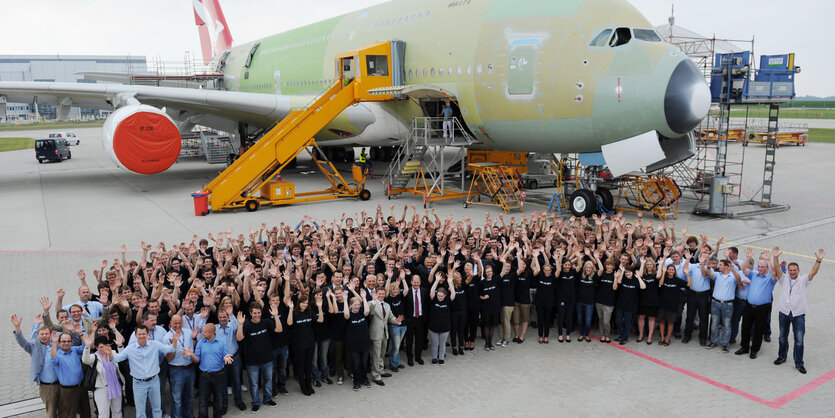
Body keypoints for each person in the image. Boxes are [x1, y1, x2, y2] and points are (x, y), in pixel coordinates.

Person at [772, 247, 825, 374]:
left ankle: (799, 363)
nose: (792, 272)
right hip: (784, 312)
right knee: (782, 337)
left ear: (798, 270)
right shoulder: (784, 279)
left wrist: (818, 260)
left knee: (799, 339)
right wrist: (775, 257)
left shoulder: (803, 280)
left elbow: (813, 272)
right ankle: (782, 356)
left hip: (798, 314)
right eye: (790, 270)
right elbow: (778, 269)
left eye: (794, 270)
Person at [112, 324, 176, 418]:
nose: (142, 336)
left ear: (147, 334)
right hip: (138, 383)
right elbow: (116, 359)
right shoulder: (130, 348)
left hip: (154, 380)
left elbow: (170, 349)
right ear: (135, 335)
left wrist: (175, 341)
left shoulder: (155, 344)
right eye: (139, 334)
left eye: (143, 334)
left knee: (157, 409)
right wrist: (114, 349)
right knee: (140, 412)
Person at [181, 323, 235, 418]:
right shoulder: (201, 342)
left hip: (219, 375)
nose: (201, 333)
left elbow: (226, 355)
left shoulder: (222, 342)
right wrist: (192, 355)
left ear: (211, 333)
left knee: (218, 398)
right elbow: (197, 360)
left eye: (204, 332)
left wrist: (226, 357)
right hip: (204, 376)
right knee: (203, 400)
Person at [11, 313, 60, 418]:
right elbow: (22, 342)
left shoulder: (57, 345)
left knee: (64, 411)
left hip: (61, 385)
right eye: (41, 334)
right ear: (37, 336)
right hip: (47, 387)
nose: (44, 336)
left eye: (46, 334)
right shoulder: (34, 348)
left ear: (51, 334)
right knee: (52, 413)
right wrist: (18, 327)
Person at [236, 305, 280, 412]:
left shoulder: (266, 322)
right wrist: (240, 324)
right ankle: (256, 402)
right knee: (254, 384)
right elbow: (239, 338)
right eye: (254, 313)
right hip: (252, 361)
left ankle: (267, 399)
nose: (257, 315)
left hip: (267, 359)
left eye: (258, 313)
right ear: (250, 313)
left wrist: (275, 316)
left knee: (268, 380)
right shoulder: (246, 325)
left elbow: (279, 329)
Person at [735, 248, 777, 359]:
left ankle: (754, 350)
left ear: (766, 268)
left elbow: (774, 272)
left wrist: (769, 260)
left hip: (762, 308)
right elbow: (743, 268)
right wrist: (748, 257)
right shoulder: (754, 274)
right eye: (759, 266)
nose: (760, 269)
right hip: (749, 306)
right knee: (745, 327)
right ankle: (744, 347)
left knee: (758, 330)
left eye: (763, 267)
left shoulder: (770, 279)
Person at [702, 253, 744, 352]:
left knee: (727, 324)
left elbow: (739, 279)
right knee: (714, 323)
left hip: (728, 304)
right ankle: (713, 341)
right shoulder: (717, 274)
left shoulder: (733, 276)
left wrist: (733, 270)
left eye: (720, 265)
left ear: (726, 266)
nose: (718, 266)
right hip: (715, 302)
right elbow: (710, 274)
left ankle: (725, 343)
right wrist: (708, 268)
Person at [286, 294, 321, 396]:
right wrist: (291, 309)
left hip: (310, 343)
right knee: (301, 366)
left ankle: (309, 385)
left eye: (306, 303)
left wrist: (319, 307)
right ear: (299, 303)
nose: (305, 305)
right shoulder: (295, 313)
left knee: (308, 365)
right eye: (303, 303)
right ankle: (303, 386)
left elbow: (320, 320)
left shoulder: (309, 312)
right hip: (299, 345)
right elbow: (289, 323)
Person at [49, 330, 89, 418]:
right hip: (68, 391)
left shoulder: (74, 350)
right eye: (63, 341)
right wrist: (54, 343)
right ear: (59, 343)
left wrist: (81, 334)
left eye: (68, 341)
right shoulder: (57, 355)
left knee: (86, 413)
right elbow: (53, 357)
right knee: (69, 415)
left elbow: (86, 345)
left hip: (81, 388)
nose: (66, 343)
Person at [82, 335, 124, 418]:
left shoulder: (113, 353)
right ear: (97, 348)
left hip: (116, 386)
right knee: (103, 414)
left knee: (117, 412)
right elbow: (85, 360)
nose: (103, 349)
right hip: (102, 388)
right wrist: (87, 346)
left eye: (105, 346)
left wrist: (119, 346)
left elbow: (122, 356)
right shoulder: (94, 357)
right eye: (101, 347)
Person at [215, 306, 246, 412]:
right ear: (218, 318)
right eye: (220, 317)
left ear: (227, 317)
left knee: (237, 380)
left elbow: (238, 325)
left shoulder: (232, 325)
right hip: (222, 359)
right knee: (223, 382)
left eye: (225, 317)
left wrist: (232, 315)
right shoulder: (215, 329)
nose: (223, 319)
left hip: (234, 357)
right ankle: (224, 404)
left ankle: (239, 401)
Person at [368, 287, 402, 384]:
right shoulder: (371, 303)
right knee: (376, 355)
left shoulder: (387, 305)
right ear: (375, 293)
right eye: (379, 293)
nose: (381, 295)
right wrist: (374, 301)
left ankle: (381, 371)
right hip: (375, 333)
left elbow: (390, 317)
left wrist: (397, 321)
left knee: (382, 354)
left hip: (384, 333)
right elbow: (370, 313)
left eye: (383, 294)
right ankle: (376, 375)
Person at [164, 315, 195, 418]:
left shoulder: (188, 332)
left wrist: (190, 352)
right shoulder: (166, 337)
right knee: (177, 399)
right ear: (171, 323)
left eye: (179, 323)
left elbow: (192, 347)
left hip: (190, 368)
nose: (177, 325)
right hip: (177, 370)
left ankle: (189, 415)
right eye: (175, 323)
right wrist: (174, 344)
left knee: (189, 396)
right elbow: (168, 359)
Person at [657, 257, 690, 346]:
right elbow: (660, 283)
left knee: (670, 322)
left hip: (673, 305)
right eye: (669, 269)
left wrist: (687, 274)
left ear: (675, 271)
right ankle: (662, 338)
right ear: (667, 270)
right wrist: (663, 272)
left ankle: (667, 339)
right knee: (662, 321)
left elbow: (689, 284)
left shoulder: (678, 281)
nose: (671, 271)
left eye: (672, 270)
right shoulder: (664, 278)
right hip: (663, 304)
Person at [613, 260, 646, 345]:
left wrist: (639, 277)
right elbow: (619, 282)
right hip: (620, 304)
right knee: (618, 321)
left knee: (627, 322)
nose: (628, 274)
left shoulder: (636, 280)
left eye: (629, 272)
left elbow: (643, 287)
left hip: (630, 305)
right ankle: (622, 334)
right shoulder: (623, 278)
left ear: (632, 273)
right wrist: (623, 271)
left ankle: (625, 337)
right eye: (626, 272)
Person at [344, 289, 371, 391]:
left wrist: (364, 298)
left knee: (364, 363)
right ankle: (356, 382)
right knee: (356, 364)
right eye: (355, 305)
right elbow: (346, 314)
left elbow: (367, 311)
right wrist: (346, 300)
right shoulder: (349, 315)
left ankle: (365, 379)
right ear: (351, 306)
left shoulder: (362, 313)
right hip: (354, 344)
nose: (357, 306)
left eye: (358, 305)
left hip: (365, 343)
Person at [428, 271, 455, 363]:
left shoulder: (448, 300)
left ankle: (441, 358)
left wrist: (450, 282)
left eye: (441, 296)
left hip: (445, 327)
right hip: (433, 326)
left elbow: (453, 294)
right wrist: (436, 281)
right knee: (435, 344)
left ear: (445, 295)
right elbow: (432, 291)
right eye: (438, 295)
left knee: (442, 343)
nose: (439, 297)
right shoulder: (433, 299)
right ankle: (434, 357)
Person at [531, 249, 556, 344]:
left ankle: (546, 336)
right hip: (539, 301)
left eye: (548, 270)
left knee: (547, 320)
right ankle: (540, 336)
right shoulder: (540, 275)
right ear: (543, 270)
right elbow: (533, 266)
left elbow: (558, 270)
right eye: (545, 270)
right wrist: (535, 257)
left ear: (551, 271)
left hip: (549, 302)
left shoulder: (553, 277)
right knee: (540, 319)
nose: (547, 272)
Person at [403, 274, 428, 365]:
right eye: (414, 282)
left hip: (421, 319)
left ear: (420, 282)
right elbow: (404, 306)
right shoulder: (407, 292)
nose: (416, 284)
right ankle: (410, 358)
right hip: (410, 319)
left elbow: (427, 306)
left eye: (418, 282)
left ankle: (418, 357)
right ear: (411, 282)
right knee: (409, 340)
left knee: (419, 339)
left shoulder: (424, 291)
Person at [576, 258, 600, 342]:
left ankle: (587, 334)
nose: (588, 269)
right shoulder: (580, 274)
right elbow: (578, 266)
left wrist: (597, 258)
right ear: (584, 268)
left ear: (592, 268)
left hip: (589, 302)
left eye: (590, 267)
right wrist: (578, 257)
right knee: (579, 319)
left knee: (588, 320)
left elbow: (602, 270)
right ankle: (581, 334)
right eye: (587, 267)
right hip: (579, 301)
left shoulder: (595, 276)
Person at [637, 258, 660, 344]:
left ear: (653, 266)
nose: (649, 266)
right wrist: (642, 263)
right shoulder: (643, 274)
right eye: (648, 264)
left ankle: (650, 336)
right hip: (643, 298)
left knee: (651, 318)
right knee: (641, 317)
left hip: (653, 299)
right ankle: (641, 335)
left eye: (650, 264)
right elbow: (639, 275)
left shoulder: (656, 274)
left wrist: (661, 264)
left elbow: (659, 276)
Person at [595, 258, 617, 343]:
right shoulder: (602, 274)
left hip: (609, 302)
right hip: (599, 300)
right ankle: (602, 335)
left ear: (613, 266)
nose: (609, 266)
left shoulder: (615, 275)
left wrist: (615, 278)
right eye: (607, 264)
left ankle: (607, 335)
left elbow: (615, 288)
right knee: (600, 319)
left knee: (606, 321)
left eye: (611, 265)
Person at [479, 264, 501, 350]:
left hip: (495, 307)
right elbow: (479, 295)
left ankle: (490, 343)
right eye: (487, 272)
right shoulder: (482, 283)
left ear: (492, 272)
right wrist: (482, 297)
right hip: (486, 307)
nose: (489, 273)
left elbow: (502, 272)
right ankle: (486, 343)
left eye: (490, 271)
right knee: (487, 326)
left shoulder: (496, 280)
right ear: (485, 273)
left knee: (492, 326)